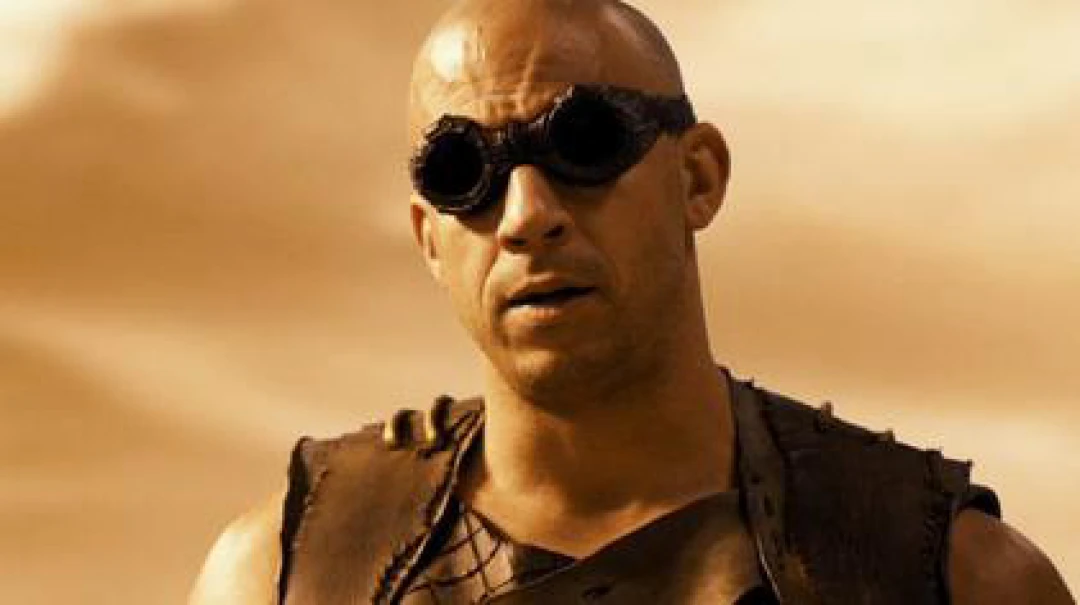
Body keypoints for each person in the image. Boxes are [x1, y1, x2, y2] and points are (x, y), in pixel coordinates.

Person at [189, 1, 1075, 603]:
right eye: (464, 173)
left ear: (698, 177)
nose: (526, 214)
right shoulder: (293, 573)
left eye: (585, 140)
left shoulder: (941, 575)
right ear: (429, 236)